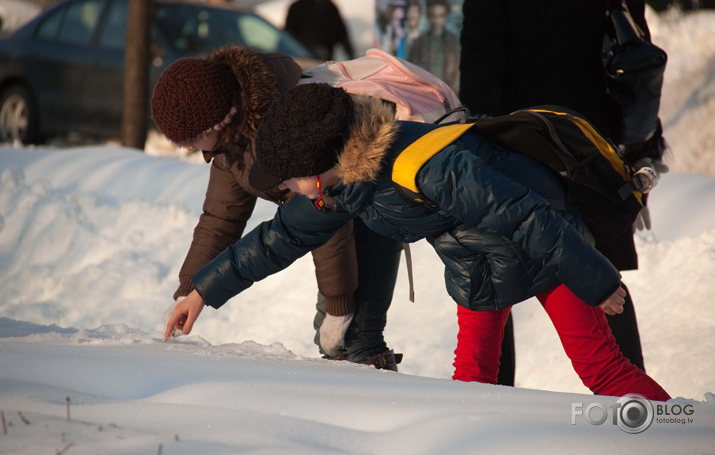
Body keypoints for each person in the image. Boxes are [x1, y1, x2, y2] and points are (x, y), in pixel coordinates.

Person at [164, 83, 671, 402]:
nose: (287, 190)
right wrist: (203, 291)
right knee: (472, 383)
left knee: (601, 371)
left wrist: (597, 280)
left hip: (549, 250)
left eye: (291, 180)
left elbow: (527, 217)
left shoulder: (427, 167)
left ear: (320, 168)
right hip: (477, 265)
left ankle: (680, 433)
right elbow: (281, 237)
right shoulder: (344, 184)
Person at [458, 0, 669, 382]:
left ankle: (488, 402)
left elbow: (481, 58)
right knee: (602, 273)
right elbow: (634, 46)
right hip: (593, 143)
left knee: (493, 270)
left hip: (517, 138)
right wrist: (638, 147)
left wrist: (473, 142)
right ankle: (634, 401)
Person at [151, 46, 402, 370]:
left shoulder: (281, 129)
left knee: (356, 337)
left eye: (191, 138)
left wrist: (338, 305)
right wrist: (190, 289)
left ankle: (380, 411)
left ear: (217, 122)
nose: (186, 148)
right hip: (329, 218)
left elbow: (324, 212)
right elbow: (221, 219)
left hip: (369, 209)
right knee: (338, 343)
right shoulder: (232, 143)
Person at [285, 0, 355, 61]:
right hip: (303, 61)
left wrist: (351, 56)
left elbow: (342, 34)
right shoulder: (296, 8)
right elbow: (288, 38)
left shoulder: (330, 7)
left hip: (326, 62)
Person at [408, 0, 460, 93]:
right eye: (433, 16)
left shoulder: (453, 42)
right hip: (425, 94)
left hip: (448, 94)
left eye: (441, 16)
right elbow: (412, 72)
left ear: (446, 15)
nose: (437, 20)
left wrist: (452, 97)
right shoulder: (419, 42)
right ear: (428, 15)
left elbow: (457, 73)